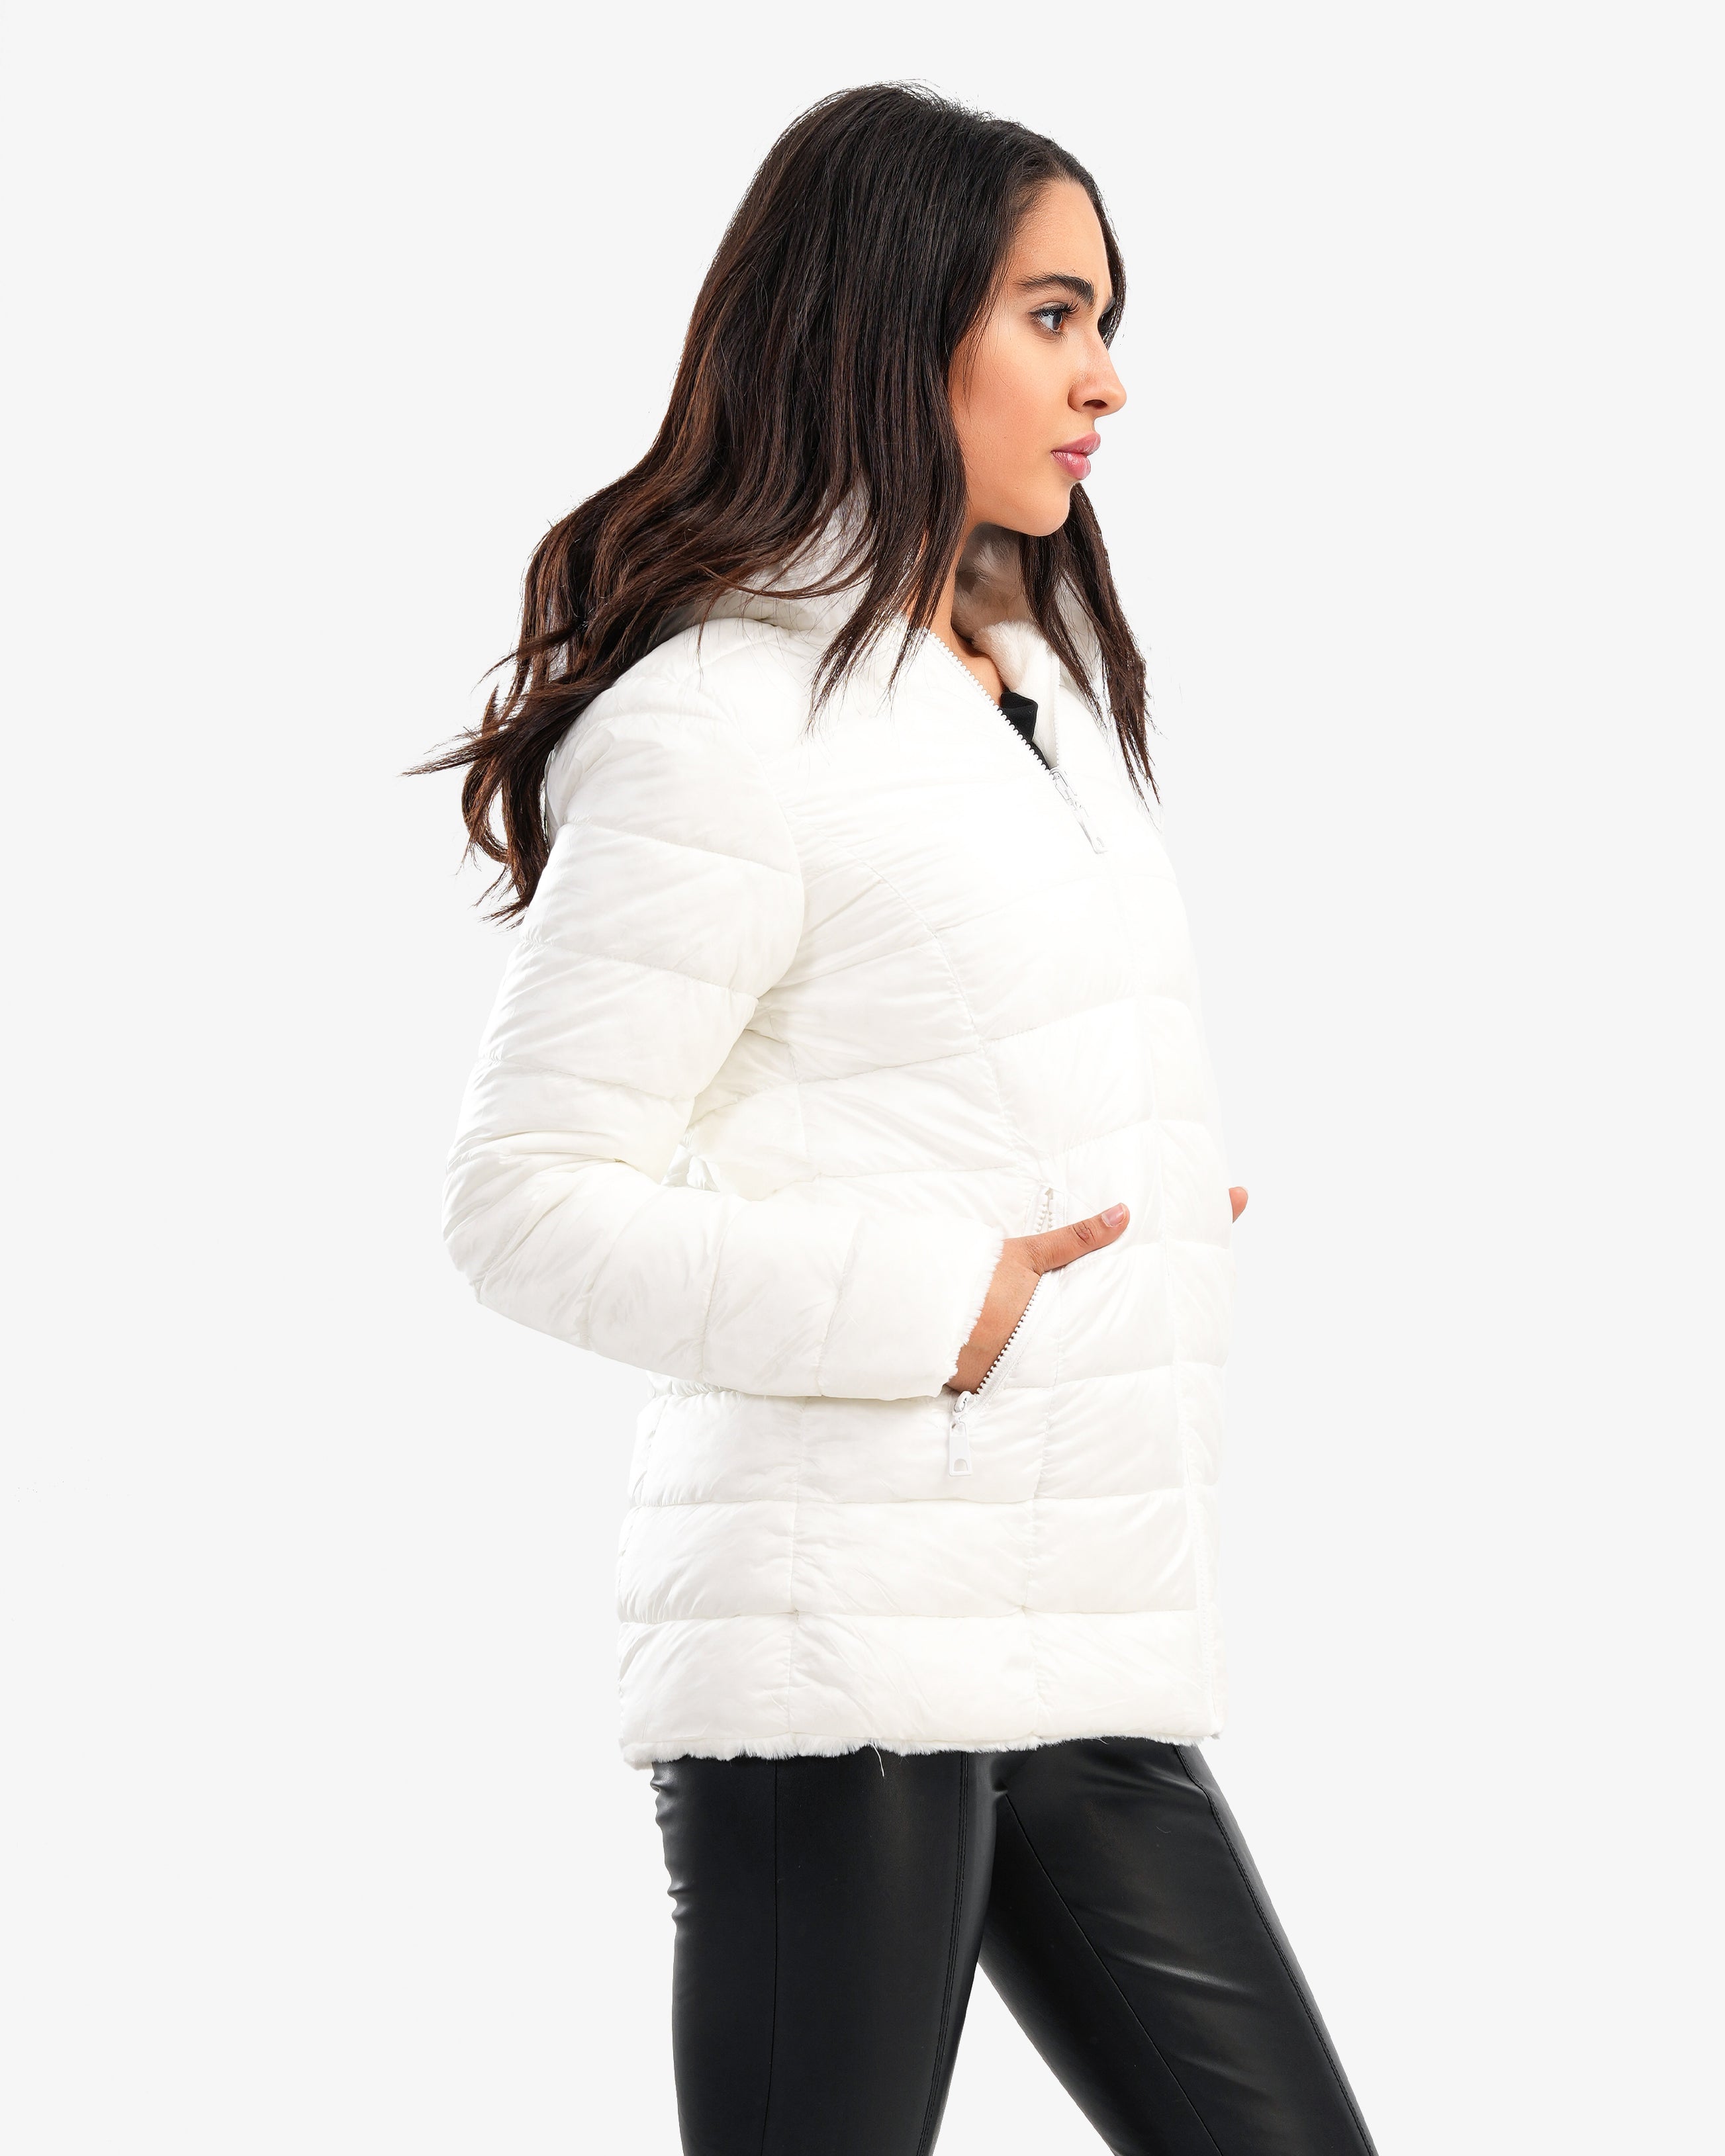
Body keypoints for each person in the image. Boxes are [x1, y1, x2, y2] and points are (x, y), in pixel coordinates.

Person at [426, 82, 1377, 2156]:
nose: (1106, 379)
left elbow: (925, 1070)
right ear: (887, 320)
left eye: (1105, 320)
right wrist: (951, 1297)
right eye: (1053, 315)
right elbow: (521, 1204)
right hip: (835, 1657)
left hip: (1076, 1637)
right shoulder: (723, 716)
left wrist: (1124, 1194)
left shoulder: (1032, 692)